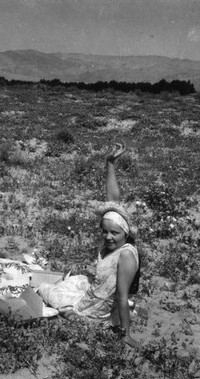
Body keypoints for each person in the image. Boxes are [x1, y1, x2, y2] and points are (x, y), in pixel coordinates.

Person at [37, 143, 140, 348]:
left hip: (96, 306)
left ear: (126, 233)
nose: (108, 237)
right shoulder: (119, 243)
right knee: (75, 279)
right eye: (105, 231)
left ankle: (76, 316)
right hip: (97, 291)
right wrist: (110, 163)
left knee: (44, 288)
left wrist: (125, 334)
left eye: (114, 233)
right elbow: (113, 201)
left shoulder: (126, 255)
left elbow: (121, 295)